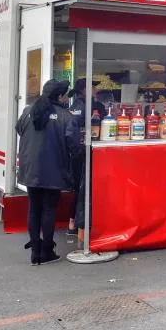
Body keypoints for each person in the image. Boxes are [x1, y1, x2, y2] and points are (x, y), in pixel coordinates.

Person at [16, 79, 80, 265]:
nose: (67, 98)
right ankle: (47, 251)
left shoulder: (28, 111)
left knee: (34, 207)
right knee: (49, 209)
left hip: (30, 168)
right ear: (60, 96)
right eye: (65, 95)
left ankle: (35, 252)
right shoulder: (66, 117)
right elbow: (74, 146)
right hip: (53, 169)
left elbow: (19, 129)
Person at [66, 78, 107, 237]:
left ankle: (74, 222)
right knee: (82, 187)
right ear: (84, 89)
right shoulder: (88, 106)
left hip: (79, 152)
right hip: (84, 151)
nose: (96, 89)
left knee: (79, 187)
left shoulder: (75, 106)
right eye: (93, 86)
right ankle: (79, 223)